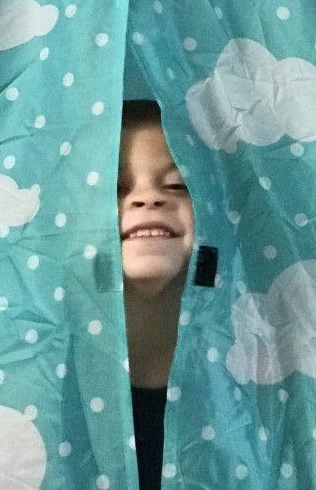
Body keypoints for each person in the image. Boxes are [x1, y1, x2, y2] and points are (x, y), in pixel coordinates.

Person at [118, 99, 195, 490]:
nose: (147, 198)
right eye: (115, 188)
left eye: (178, 185)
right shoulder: (50, 379)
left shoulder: (250, 376)